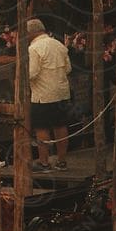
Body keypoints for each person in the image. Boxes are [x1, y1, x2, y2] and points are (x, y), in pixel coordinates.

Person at [26, 17, 72, 170]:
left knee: (42, 128)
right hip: (61, 93)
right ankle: (62, 161)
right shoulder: (59, 45)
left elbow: (32, 73)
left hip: (42, 95)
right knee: (60, 126)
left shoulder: (34, 48)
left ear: (31, 33)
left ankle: (44, 162)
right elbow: (68, 69)